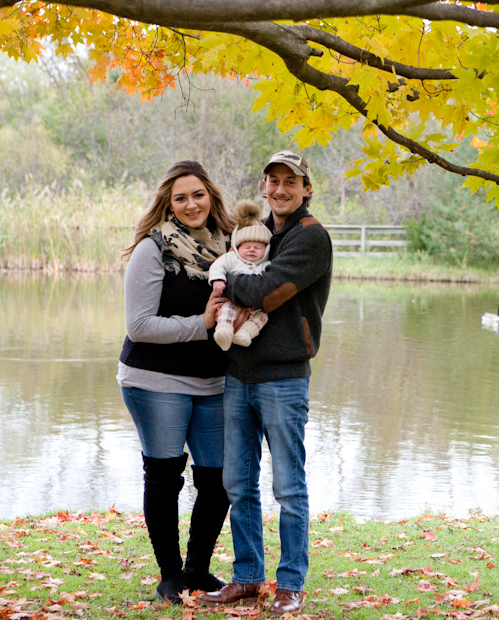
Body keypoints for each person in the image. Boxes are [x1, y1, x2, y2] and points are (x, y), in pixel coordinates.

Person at [198, 150, 332, 615]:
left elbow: (262, 293)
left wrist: (222, 284)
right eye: (272, 181)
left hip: (284, 379)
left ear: (306, 188)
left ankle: (290, 582)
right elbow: (241, 274)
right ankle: (248, 577)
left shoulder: (310, 239)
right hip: (238, 375)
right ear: (264, 186)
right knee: (239, 483)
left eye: (289, 182)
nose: (279, 189)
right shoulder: (258, 237)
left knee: (289, 487)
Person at [118, 160, 243, 603]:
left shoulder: (232, 248)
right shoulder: (153, 250)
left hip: (214, 381)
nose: (191, 204)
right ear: (167, 204)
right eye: (180, 198)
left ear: (212, 196)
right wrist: (201, 323)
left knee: (219, 477)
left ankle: (197, 570)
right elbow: (139, 326)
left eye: (198, 195)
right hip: (156, 379)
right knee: (166, 474)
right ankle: (170, 575)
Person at [209, 200, 272, 351]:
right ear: (237, 248)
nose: (252, 250)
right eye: (246, 247)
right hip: (232, 300)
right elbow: (218, 265)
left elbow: (270, 280)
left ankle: (245, 334)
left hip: (255, 306)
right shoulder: (232, 258)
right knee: (226, 309)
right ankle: (224, 331)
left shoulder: (266, 265)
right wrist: (218, 279)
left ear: (267, 249)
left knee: (263, 316)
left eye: (257, 247)